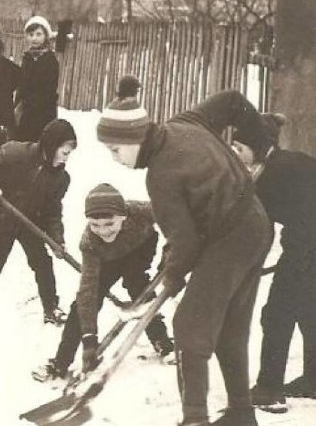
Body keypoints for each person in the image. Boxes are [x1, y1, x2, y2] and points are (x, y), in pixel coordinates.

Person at [96, 84, 272, 426]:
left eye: (116, 150)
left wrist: (173, 275)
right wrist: (260, 143)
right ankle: (241, 412)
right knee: (230, 325)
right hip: (256, 224)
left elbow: (186, 243)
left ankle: (195, 419)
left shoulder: (160, 175)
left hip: (229, 241)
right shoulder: (186, 121)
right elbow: (233, 100)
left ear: (134, 138)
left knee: (189, 329)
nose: (115, 159)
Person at [204, 92, 316, 413]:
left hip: (308, 247)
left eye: (239, 148)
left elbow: (258, 226)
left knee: (277, 312)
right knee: (309, 309)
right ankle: (313, 378)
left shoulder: (277, 172)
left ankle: (268, 388)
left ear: (257, 147)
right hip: (306, 244)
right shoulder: (277, 166)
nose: (234, 154)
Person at [33, 184, 173, 381]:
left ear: (123, 215)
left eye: (109, 223)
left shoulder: (141, 210)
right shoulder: (90, 243)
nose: (103, 231)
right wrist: (89, 337)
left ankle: (163, 342)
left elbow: (176, 220)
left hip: (140, 247)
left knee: (137, 284)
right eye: (95, 225)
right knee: (84, 302)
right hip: (108, 259)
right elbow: (87, 292)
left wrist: (171, 252)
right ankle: (60, 363)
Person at [0, 118, 77, 325]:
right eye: (64, 152)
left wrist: (57, 238)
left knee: (43, 264)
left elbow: (53, 211)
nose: (66, 159)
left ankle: (51, 308)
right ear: (51, 145)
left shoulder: (61, 178)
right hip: (1, 217)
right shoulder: (18, 153)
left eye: (69, 154)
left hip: (30, 223)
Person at [16, 16, 59, 142]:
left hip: (43, 112)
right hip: (25, 112)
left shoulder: (50, 60)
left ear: (46, 36)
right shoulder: (27, 58)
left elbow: (49, 89)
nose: (34, 38)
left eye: (38, 34)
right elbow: (22, 85)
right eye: (31, 34)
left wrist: (32, 103)